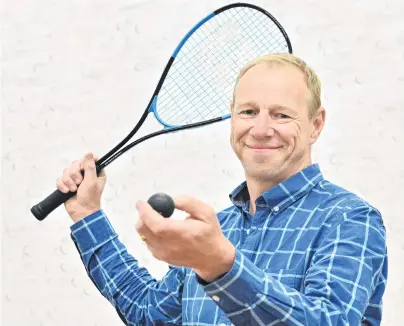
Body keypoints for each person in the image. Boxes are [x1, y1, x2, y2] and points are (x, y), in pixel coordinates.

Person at [57, 53, 388, 326]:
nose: (260, 129)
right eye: (248, 111)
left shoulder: (349, 219)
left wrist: (222, 267)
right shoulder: (218, 231)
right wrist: (88, 215)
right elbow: (150, 313)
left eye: (281, 115)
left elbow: (328, 321)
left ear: (316, 124)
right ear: (232, 117)